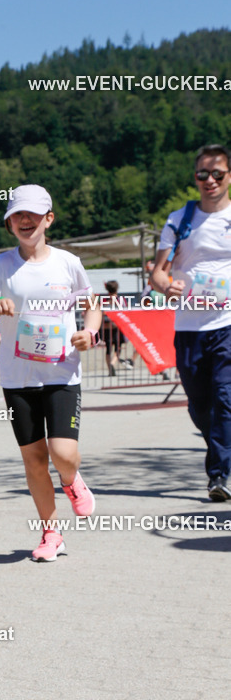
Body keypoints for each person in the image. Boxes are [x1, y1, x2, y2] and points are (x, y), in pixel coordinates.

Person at [0, 184, 101, 561]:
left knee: (62, 454)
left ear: (49, 219)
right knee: (33, 460)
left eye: (32, 214)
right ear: (10, 222)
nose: (24, 221)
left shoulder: (67, 263)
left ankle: (70, 479)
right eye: (17, 215)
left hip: (62, 373)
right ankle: (51, 533)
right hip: (17, 378)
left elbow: (93, 307)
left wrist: (90, 332)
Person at [151, 143, 231, 501]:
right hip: (189, 327)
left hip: (227, 323)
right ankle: (220, 442)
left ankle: (220, 475)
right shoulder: (179, 219)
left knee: (226, 398)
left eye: (217, 174)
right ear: (195, 177)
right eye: (203, 174)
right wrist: (167, 286)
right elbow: (157, 273)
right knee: (201, 404)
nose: (210, 180)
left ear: (229, 177)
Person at [102, 280, 127, 375]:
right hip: (117, 326)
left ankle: (109, 369)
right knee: (118, 348)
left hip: (106, 327)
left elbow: (100, 311)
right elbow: (125, 311)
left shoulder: (104, 300)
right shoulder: (120, 300)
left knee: (108, 349)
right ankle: (113, 363)